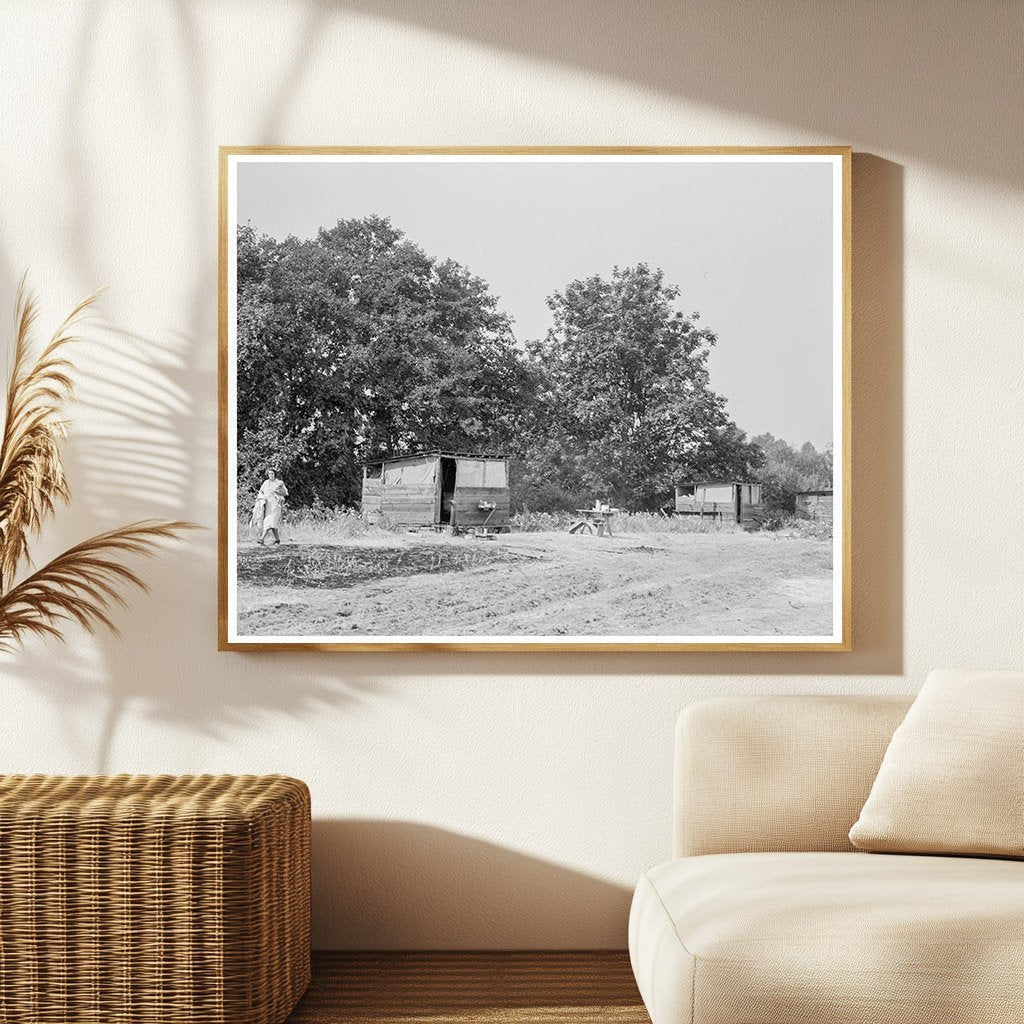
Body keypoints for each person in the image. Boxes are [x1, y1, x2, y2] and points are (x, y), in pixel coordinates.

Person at [250, 469, 288, 545]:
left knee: (269, 521)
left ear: (275, 474)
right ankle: (277, 540)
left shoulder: (279, 482)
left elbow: (285, 493)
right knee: (272, 523)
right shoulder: (266, 483)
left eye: (272, 473)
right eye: (269, 474)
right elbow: (261, 491)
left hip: (276, 505)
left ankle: (261, 539)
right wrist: (261, 499)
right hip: (267, 505)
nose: (271, 475)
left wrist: (277, 491)